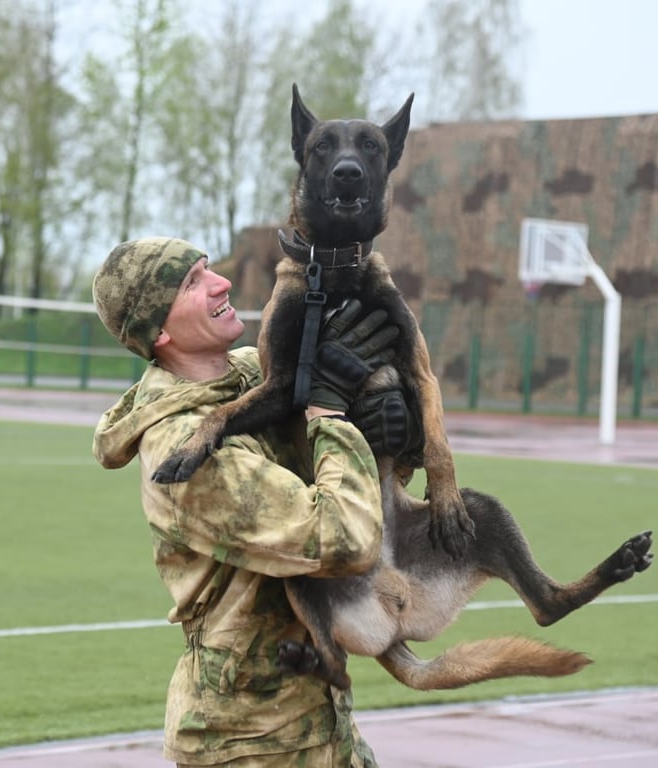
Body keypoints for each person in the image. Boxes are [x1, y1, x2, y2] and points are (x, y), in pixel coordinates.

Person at [91, 236, 418, 767]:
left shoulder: (255, 373)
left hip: (323, 725)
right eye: (192, 282)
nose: (220, 282)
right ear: (162, 331)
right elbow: (344, 538)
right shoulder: (183, 453)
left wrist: (386, 426)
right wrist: (329, 415)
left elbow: (363, 472)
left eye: (206, 268)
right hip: (248, 741)